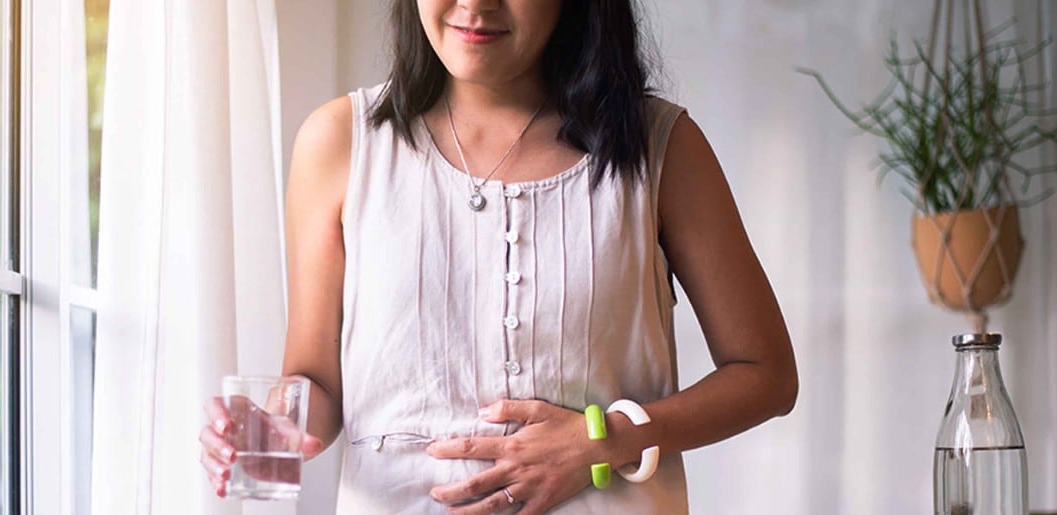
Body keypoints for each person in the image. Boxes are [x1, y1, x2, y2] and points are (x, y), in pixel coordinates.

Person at [200, 0, 798, 513]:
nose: (474, 3)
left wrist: (605, 440)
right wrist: (276, 424)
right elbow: (315, 384)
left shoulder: (659, 146)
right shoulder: (338, 142)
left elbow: (766, 375)